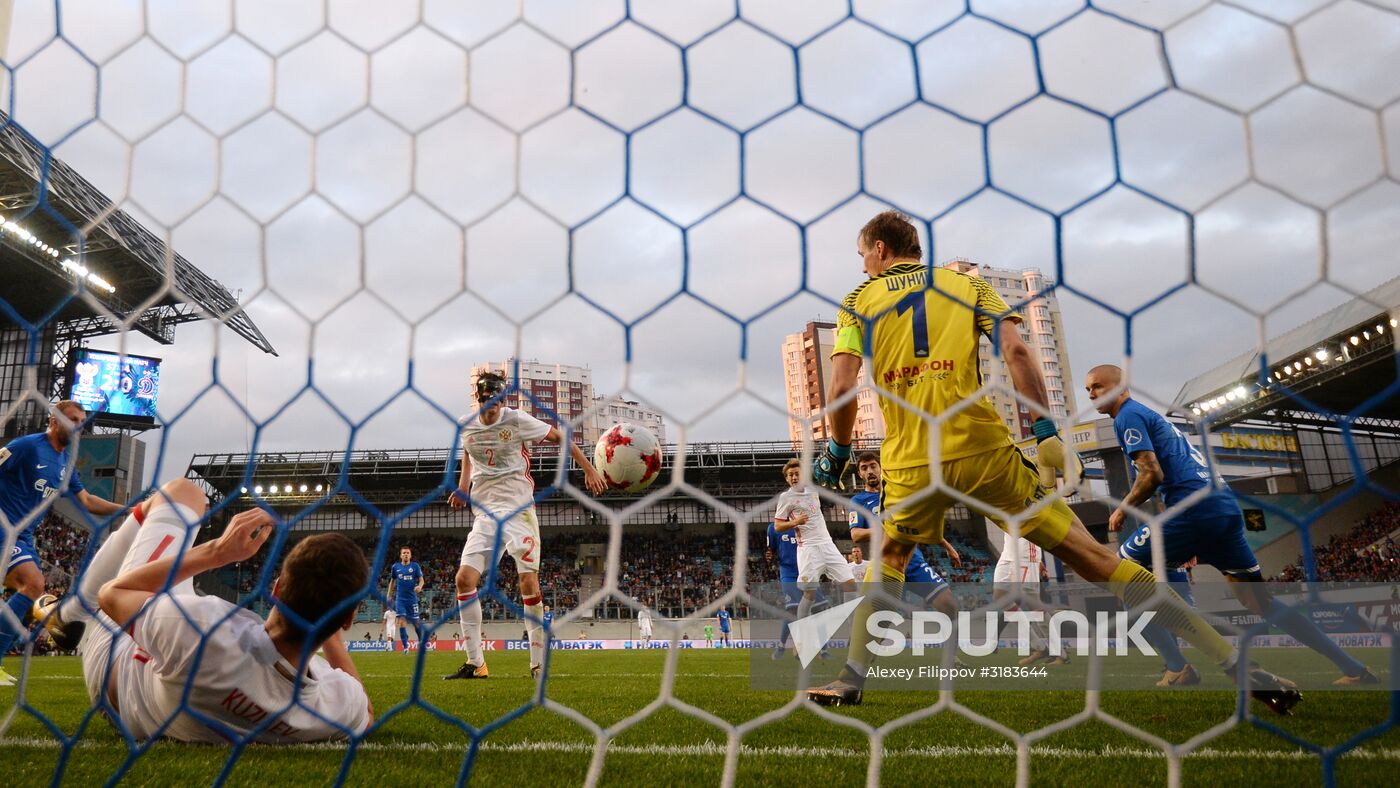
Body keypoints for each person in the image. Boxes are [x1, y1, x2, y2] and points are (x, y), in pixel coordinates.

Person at [805, 211, 1300, 714]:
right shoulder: (968, 285)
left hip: (910, 461)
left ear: (882, 250)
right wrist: (1043, 429)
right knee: (1099, 560)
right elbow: (1017, 352)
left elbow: (844, 387)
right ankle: (1236, 664)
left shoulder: (856, 301)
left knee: (889, 557)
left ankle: (851, 679)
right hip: (983, 451)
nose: (863, 264)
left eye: (864, 253)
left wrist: (839, 453)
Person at [1087, 364, 1376, 686]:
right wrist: (1191, 541)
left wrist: (1122, 509)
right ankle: (1354, 670)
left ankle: (1177, 666)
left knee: (1120, 568)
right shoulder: (1150, 417)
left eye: (1097, 386)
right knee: (1259, 602)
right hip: (1221, 508)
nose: (1091, 393)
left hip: (1194, 510)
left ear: (1120, 386)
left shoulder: (1128, 415)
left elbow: (1152, 473)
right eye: (1088, 389)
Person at [75, 477, 371, 741]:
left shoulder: (205, 628)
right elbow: (364, 712)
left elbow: (113, 595)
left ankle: (71, 613)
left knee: (184, 493)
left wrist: (217, 551)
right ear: (347, 620)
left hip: (114, 666)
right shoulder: (336, 706)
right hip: (151, 711)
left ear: (276, 589)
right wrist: (329, 617)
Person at [445, 371, 606, 681]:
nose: (488, 409)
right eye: (483, 403)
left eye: (493, 404)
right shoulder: (466, 425)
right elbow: (468, 451)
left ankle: (537, 665)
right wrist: (463, 485)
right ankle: (476, 664)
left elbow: (562, 437)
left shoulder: (516, 420)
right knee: (464, 580)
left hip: (519, 510)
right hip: (485, 513)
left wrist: (588, 469)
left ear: (502, 401)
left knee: (528, 585)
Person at [1, 400, 126, 686]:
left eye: (81, 420)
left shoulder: (66, 463)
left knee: (33, 587)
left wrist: (129, 509)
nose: (77, 425)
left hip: (23, 536)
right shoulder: (27, 447)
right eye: (72, 419)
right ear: (54, 420)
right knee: (33, 585)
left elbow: (88, 501)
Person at [774, 459, 857, 647]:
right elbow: (778, 525)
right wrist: (795, 522)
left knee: (851, 585)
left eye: (797, 474)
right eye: (791, 475)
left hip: (827, 544)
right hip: (808, 549)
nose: (795, 477)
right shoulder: (785, 499)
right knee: (809, 594)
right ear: (787, 479)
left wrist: (835, 475)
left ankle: (853, 635)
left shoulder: (813, 491)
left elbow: (828, 482)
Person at [387, 547, 425, 653]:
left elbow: (421, 580)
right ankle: (405, 647)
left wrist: (420, 586)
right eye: (404, 553)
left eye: (408, 553)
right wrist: (388, 595)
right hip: (400, 600)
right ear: (400, 555)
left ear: (410, 555)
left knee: (416, 623)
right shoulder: (395, 567)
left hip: (412, 599)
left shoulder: (415, 566)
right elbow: (392, 581)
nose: (406, 554)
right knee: (401, 622)